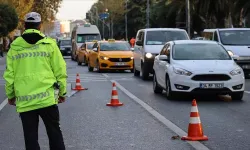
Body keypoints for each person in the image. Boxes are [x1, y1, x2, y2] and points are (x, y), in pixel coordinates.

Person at [3, 12, 67, 150]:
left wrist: (10, 95)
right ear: (40, 26)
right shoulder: (49, 43)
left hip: (26, 101)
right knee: (55, 133)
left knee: (30, 138)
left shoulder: (14, 47)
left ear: (25, 26)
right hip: (48, 99)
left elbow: (9, 75)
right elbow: (60, 70)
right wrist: (62, 92)